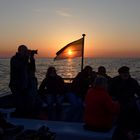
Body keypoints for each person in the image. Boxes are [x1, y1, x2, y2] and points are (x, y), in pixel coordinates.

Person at [109, 66, 140, 139]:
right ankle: (127, 132)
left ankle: (135, 131)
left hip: (130, 103)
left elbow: (138, 92)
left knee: (135, 114)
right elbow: (110, 93)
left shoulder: (133, 82)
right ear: (120, 74)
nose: (126, 74)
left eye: (127, 72)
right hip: (118, 103)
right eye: (124, 73)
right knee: (123, 115)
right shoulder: (115, 81)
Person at [9, 45, 38, 117]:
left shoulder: (25, 59)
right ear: (19, 51)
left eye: (26, 50)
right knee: (19, 105)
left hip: (25, 85)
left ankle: (27, 118)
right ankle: (19, 119)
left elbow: (33, 69)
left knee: (27, 104)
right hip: (16, 85)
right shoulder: (14, 59)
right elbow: (20, 67)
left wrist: (32, 58)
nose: (26, 52)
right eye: (24, 50)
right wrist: (26, 57)